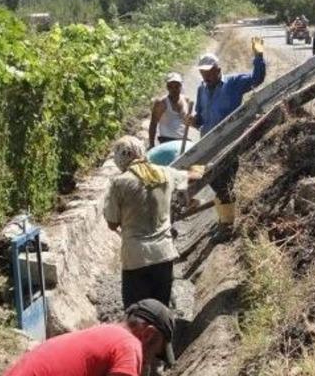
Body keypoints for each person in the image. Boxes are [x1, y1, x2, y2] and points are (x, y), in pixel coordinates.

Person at [104, 136, 200, 309]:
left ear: (119, 159)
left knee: (136, 312)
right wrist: (203, 167)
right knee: (160, 310)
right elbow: (192, 176)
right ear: (142, 152)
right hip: (163, 254)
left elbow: (112, 223)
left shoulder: (118, 183)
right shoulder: (165, 172)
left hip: (135, 257)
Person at [184, 40, 266, 234]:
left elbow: (257, 79)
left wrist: (259, 56)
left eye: (209, 72)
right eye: (202, 73)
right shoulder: (201, 89)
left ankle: (228, 225)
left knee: (225, 182)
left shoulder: (234, 83)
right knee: (212, 182)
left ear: (218, 69)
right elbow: (201, 118)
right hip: (207, 145)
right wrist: (192, 120)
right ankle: (224, 218)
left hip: (228, 143)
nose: (205, 76)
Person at [2, 298, 175, 376]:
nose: (150, 361)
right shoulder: (128, 345)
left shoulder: (104, 333)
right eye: (155, 353)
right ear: (148, 334)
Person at [148, 72, 191, 149]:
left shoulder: (186, 100)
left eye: (176, 86)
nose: (174, 89)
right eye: (171, 87)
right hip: (167, 140)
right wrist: (151, 144)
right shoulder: (161, 103)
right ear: (167, 87)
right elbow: (153, 124)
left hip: (183, 140)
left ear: (181, 86)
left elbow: (188, 121)